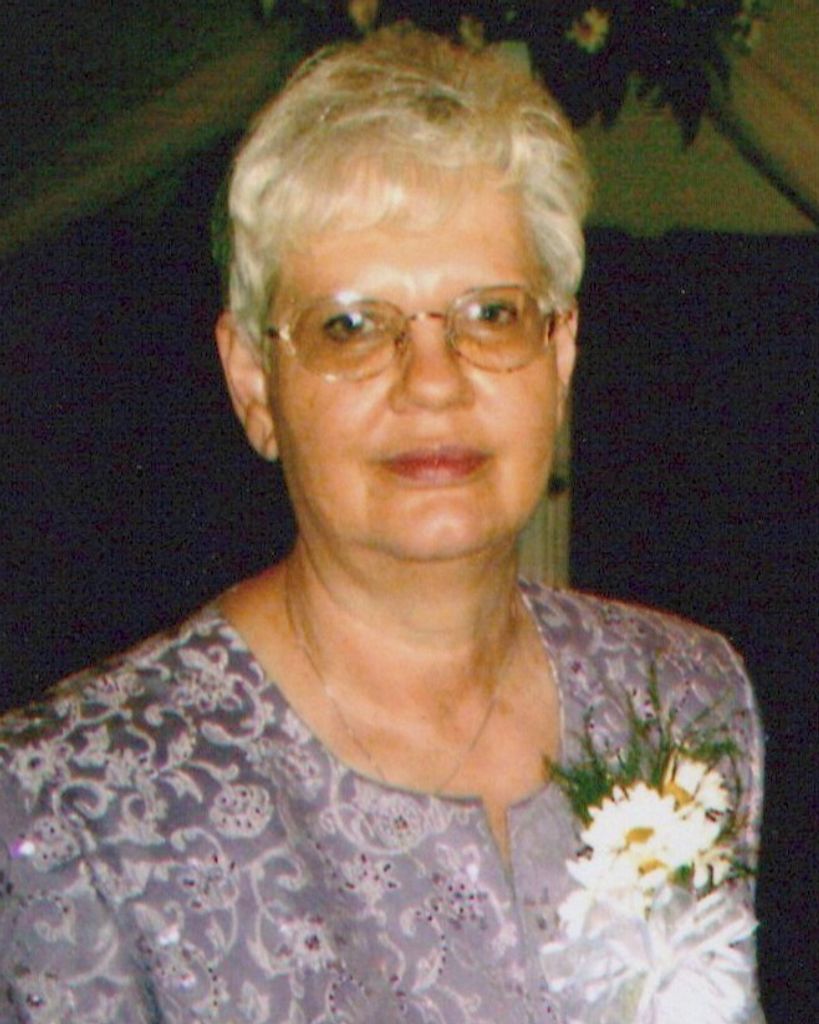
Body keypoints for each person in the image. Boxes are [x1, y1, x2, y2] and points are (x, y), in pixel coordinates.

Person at [0, 26, 764, 1024]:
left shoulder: (684, 695)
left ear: (560, 352)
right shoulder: (77, 798)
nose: (433, 382)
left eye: (490, 314)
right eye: (351, 327)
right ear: (253, 382)